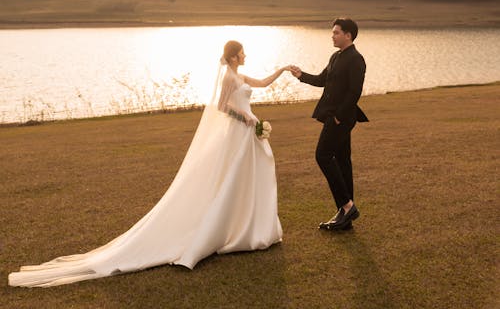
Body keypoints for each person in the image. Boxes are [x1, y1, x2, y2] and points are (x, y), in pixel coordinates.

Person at [8, 41, 291, 287]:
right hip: (238, 132)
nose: (245, 56)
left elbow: (263, 83)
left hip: (246, 135)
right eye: (242, 54)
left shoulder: (240, 75)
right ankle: (228, 229)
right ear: (232, 57)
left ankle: (250, 227)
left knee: (248, 179)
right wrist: (246, 117)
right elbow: (221, 106)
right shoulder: (228, 78)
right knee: (230, 180)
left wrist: (283, 70)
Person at [290, 17, 368, 231]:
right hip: (335, 116)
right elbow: (322, 80)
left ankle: (347, 205)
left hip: (341, 118)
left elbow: (355, 92)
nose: (332, 36)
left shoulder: (356, 59)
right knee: (343, 161)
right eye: (332, 32)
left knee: (322, 155)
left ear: (348, 35)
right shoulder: (336, 56)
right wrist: (301, 75)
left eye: (336, 32)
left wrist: (339, 116)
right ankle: (346, 217)